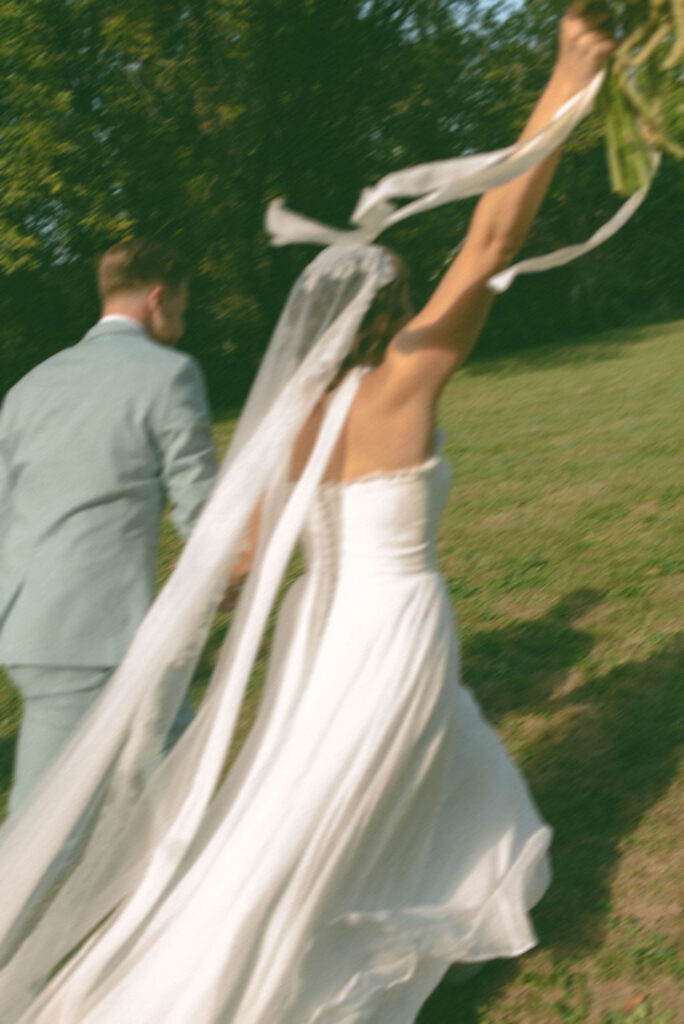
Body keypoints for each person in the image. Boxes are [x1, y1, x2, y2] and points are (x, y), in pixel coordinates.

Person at [0, 7, 616, 1022]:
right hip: (387, 625)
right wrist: (567, 81)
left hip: (311, 629)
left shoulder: (286, 429)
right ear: (396, 318)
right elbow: (495, 233)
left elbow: (240, 553)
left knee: (415, 768)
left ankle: (478, 895)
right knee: (307, 822)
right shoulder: (403, 391)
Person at [0, 238, 217, 815]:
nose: (184, 318)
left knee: (173, 788)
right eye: (183, 305)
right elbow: (202, 511)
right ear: (156, 298)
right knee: (45, 830)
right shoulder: (170, 375)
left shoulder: (29, 386)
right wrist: (236, 573)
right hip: (94, 637)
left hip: (29, 625)